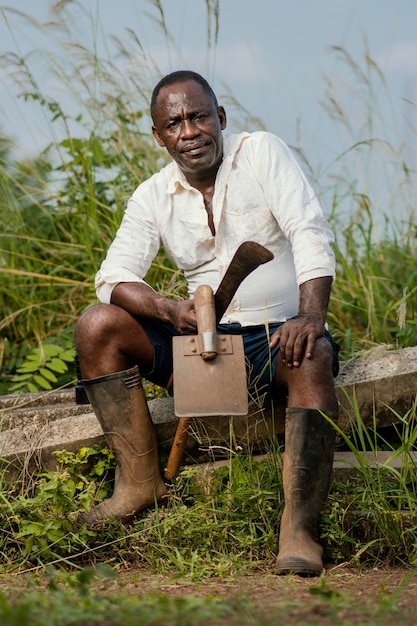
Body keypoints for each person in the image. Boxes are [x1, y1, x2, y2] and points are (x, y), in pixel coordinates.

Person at [75, 70, 339, 577]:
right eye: (174, 123)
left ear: (219, 118)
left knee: (314, 352)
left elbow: (308, 229)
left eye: (198, 117)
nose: (189, 131)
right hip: (202, 350)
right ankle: (137, 485)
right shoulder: (152, 194)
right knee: (97, 324)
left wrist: (310, 315)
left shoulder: (261, 152)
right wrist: (169, 310)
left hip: (275, 339)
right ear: (159, 136)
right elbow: (113, 276)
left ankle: (299, 530)